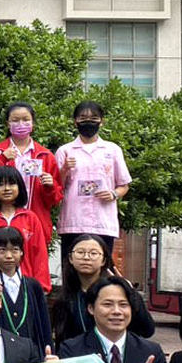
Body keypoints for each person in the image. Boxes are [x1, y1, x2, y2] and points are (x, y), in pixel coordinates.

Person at [55, 99, 132, 257]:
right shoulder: (65, 151)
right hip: (73, 221)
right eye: (83, 118)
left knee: (101, 270)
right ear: (75, 122)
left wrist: (113, 194)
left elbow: (124, 184)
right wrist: (64, 169)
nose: (88, 122)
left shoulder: (113, 150)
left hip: (103, 222)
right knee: (72, 270)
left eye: (94, 118)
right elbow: (56, 188)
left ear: (101, 122)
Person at [52, 236, 154, 346]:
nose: (86, 257)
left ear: (104, 260)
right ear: (71, 258)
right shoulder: (66, 298)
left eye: (94, 253)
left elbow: (147, 330)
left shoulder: (119, 291)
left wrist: (131, 293)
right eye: (80, 252)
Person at [0, 102, 61, 225]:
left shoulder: (45, 156)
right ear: (8, 124)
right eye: (15, 120)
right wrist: (1, 160)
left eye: (25, 119)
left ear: (33, 123)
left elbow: (55, 200)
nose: (21, 124)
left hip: (35, 224)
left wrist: (50, 186)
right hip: (0, 223)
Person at [0, 165, 52, 290]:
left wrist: (41, 287)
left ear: (20, 187)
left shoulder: (30, 218)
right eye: (0, 185)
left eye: (12, 184)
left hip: (25, 287)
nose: (6, 189)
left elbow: (39, 256)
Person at [0, 226, 51, 359]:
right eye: (2, 250)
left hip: (31, 355)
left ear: (22, 252)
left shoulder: (32, 285)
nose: (9, 256)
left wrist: (48, 351)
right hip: (0, 355)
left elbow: (44, 323)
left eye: (15, 250)